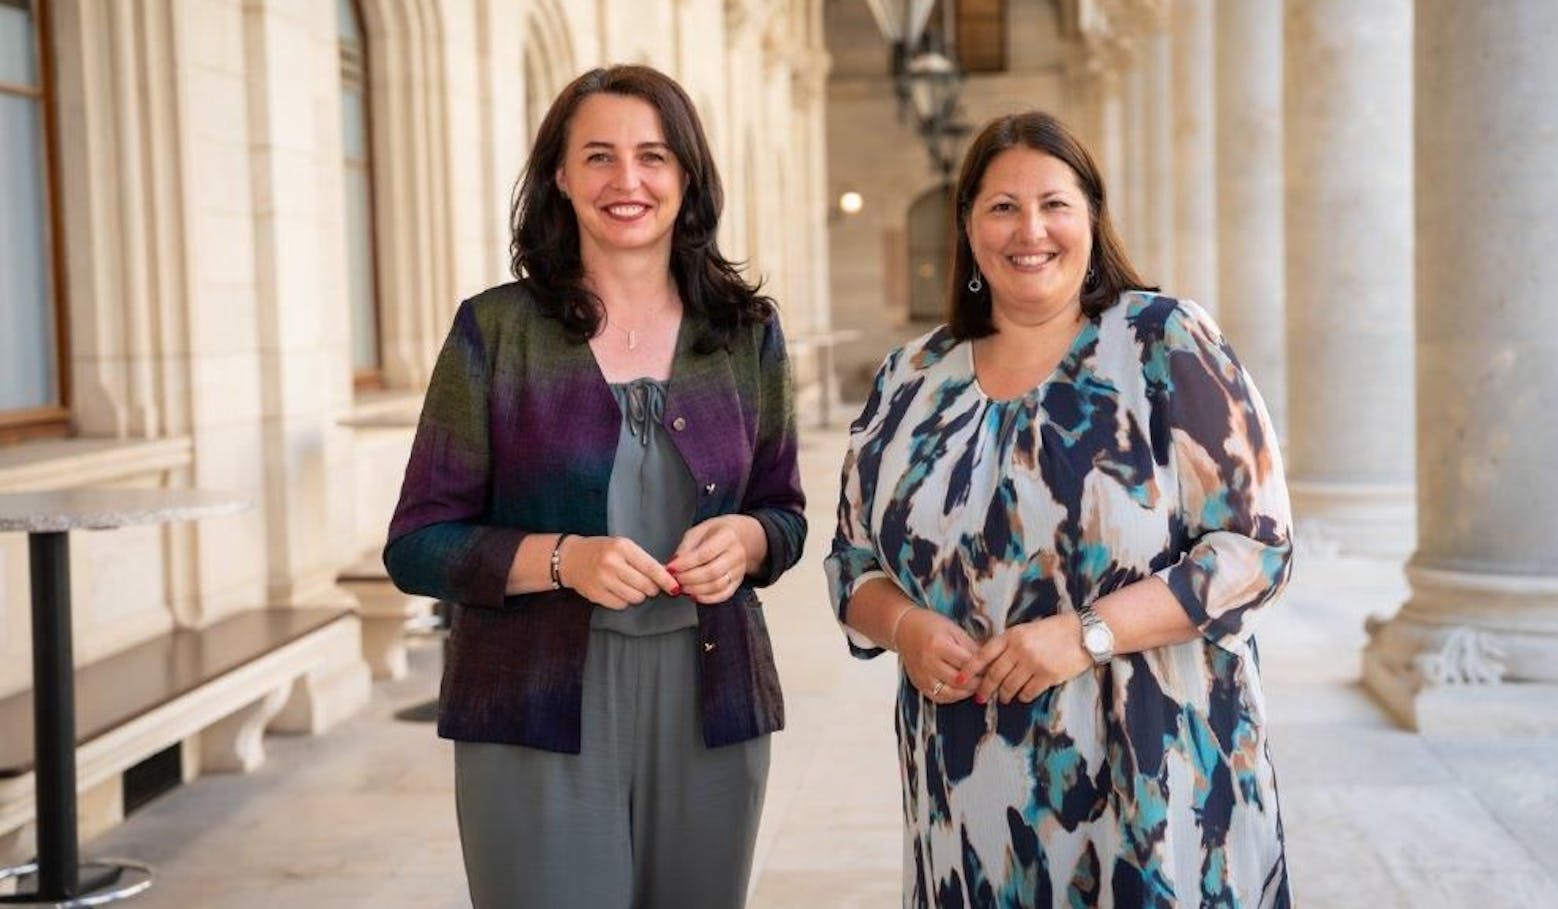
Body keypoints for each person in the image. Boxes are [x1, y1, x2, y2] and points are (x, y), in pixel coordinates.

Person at [826, 111, 1293, 907]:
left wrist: (1084, 634)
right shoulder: (910, 376)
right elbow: (851, 562)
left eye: (1054, 204)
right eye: (1001, 206)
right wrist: (905, 627)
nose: (1029, 229)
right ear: (969, 228)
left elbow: (1256, 551)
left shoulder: (1164, 340)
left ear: (1091, 218)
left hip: (1152, 772)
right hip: (967, 790)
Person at [385, 64, 805, 908]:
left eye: (652, 156)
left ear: (686, 178)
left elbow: (784, 511)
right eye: (600, 156)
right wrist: (560, 559)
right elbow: (418, 543)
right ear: (560, 176)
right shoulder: (495, 330)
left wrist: (749, 540)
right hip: (535, 707)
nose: (628, 181)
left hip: (710, 701)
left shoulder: (744, 334)